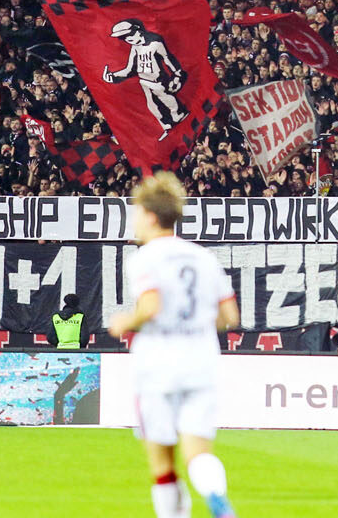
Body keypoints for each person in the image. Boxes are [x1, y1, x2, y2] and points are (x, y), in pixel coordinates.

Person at [109, 173, 240, 518]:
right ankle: (216, 495)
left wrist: (126, 321)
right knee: (198, 452)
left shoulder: (145, 258)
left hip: (158, 364)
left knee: (163, 464)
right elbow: (229, 316)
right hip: (201, 360)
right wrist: (194, 321)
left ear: (151, 216)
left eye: (137, 213)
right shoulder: (204, 258)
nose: (135, 221)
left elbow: (151, 306)